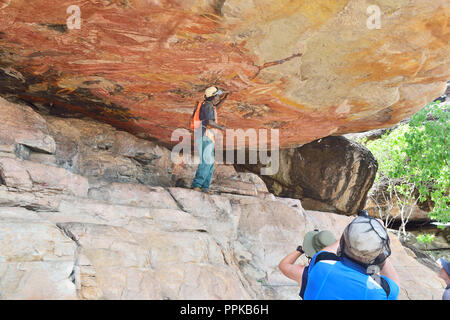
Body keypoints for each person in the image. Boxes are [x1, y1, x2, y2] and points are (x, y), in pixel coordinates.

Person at [279, 211, 400, 300]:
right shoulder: (381, 291)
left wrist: (357, 229)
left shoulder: (320, 265)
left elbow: (326, 253)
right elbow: (393, 283)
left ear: (343, 240)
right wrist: (378, 235)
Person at [191, 86, 228, 194]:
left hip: (207, 137)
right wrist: (221, 128)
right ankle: (197, 185)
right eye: (217, 96)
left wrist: (224, 99)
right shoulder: (207, 106)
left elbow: (216, 108)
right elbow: (209, 123)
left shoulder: (208, 105)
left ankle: (205, 187)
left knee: (210, 163)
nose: (218, 98)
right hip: (204, 136)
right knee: (207, 161)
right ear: (213, 97)